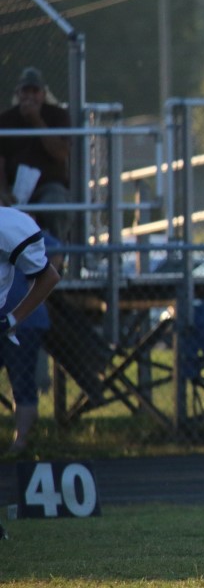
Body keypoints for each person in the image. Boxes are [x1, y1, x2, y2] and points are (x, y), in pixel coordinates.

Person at [0, 207, 62, 455]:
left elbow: (53, 262)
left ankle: (22, 443)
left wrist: (14, 318)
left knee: (22, 383)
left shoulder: (12, 224)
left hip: (21, 323)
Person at [0, 67, 72, 243]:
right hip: (13, 189)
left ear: (43, 93)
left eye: (35, 91)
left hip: (48, 186)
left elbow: (61, 153)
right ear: (18, 93)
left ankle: (58, 252)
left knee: (56, 204)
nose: (30, 96)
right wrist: (3, 191)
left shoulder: (57, 116)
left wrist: (37, 121)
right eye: (26, 91)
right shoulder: (5, 119)